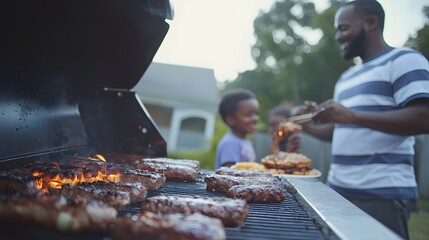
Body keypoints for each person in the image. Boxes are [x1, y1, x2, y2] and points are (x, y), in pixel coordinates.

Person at [291, 0, 429, 239]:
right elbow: (340, 130)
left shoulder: (404, 60)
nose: (337, 36)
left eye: (343, 28)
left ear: (371, 23)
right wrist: (309, 127)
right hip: (336, 191)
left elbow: (424, 117)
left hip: (381, 196)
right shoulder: (346, 78)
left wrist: (352, 115)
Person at [215, 88, 259, 169]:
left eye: (256, 113)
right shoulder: (230, 143)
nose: (255, 118)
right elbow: (229, 175)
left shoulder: (244, 141)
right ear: (231, 119)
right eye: (248, 115)